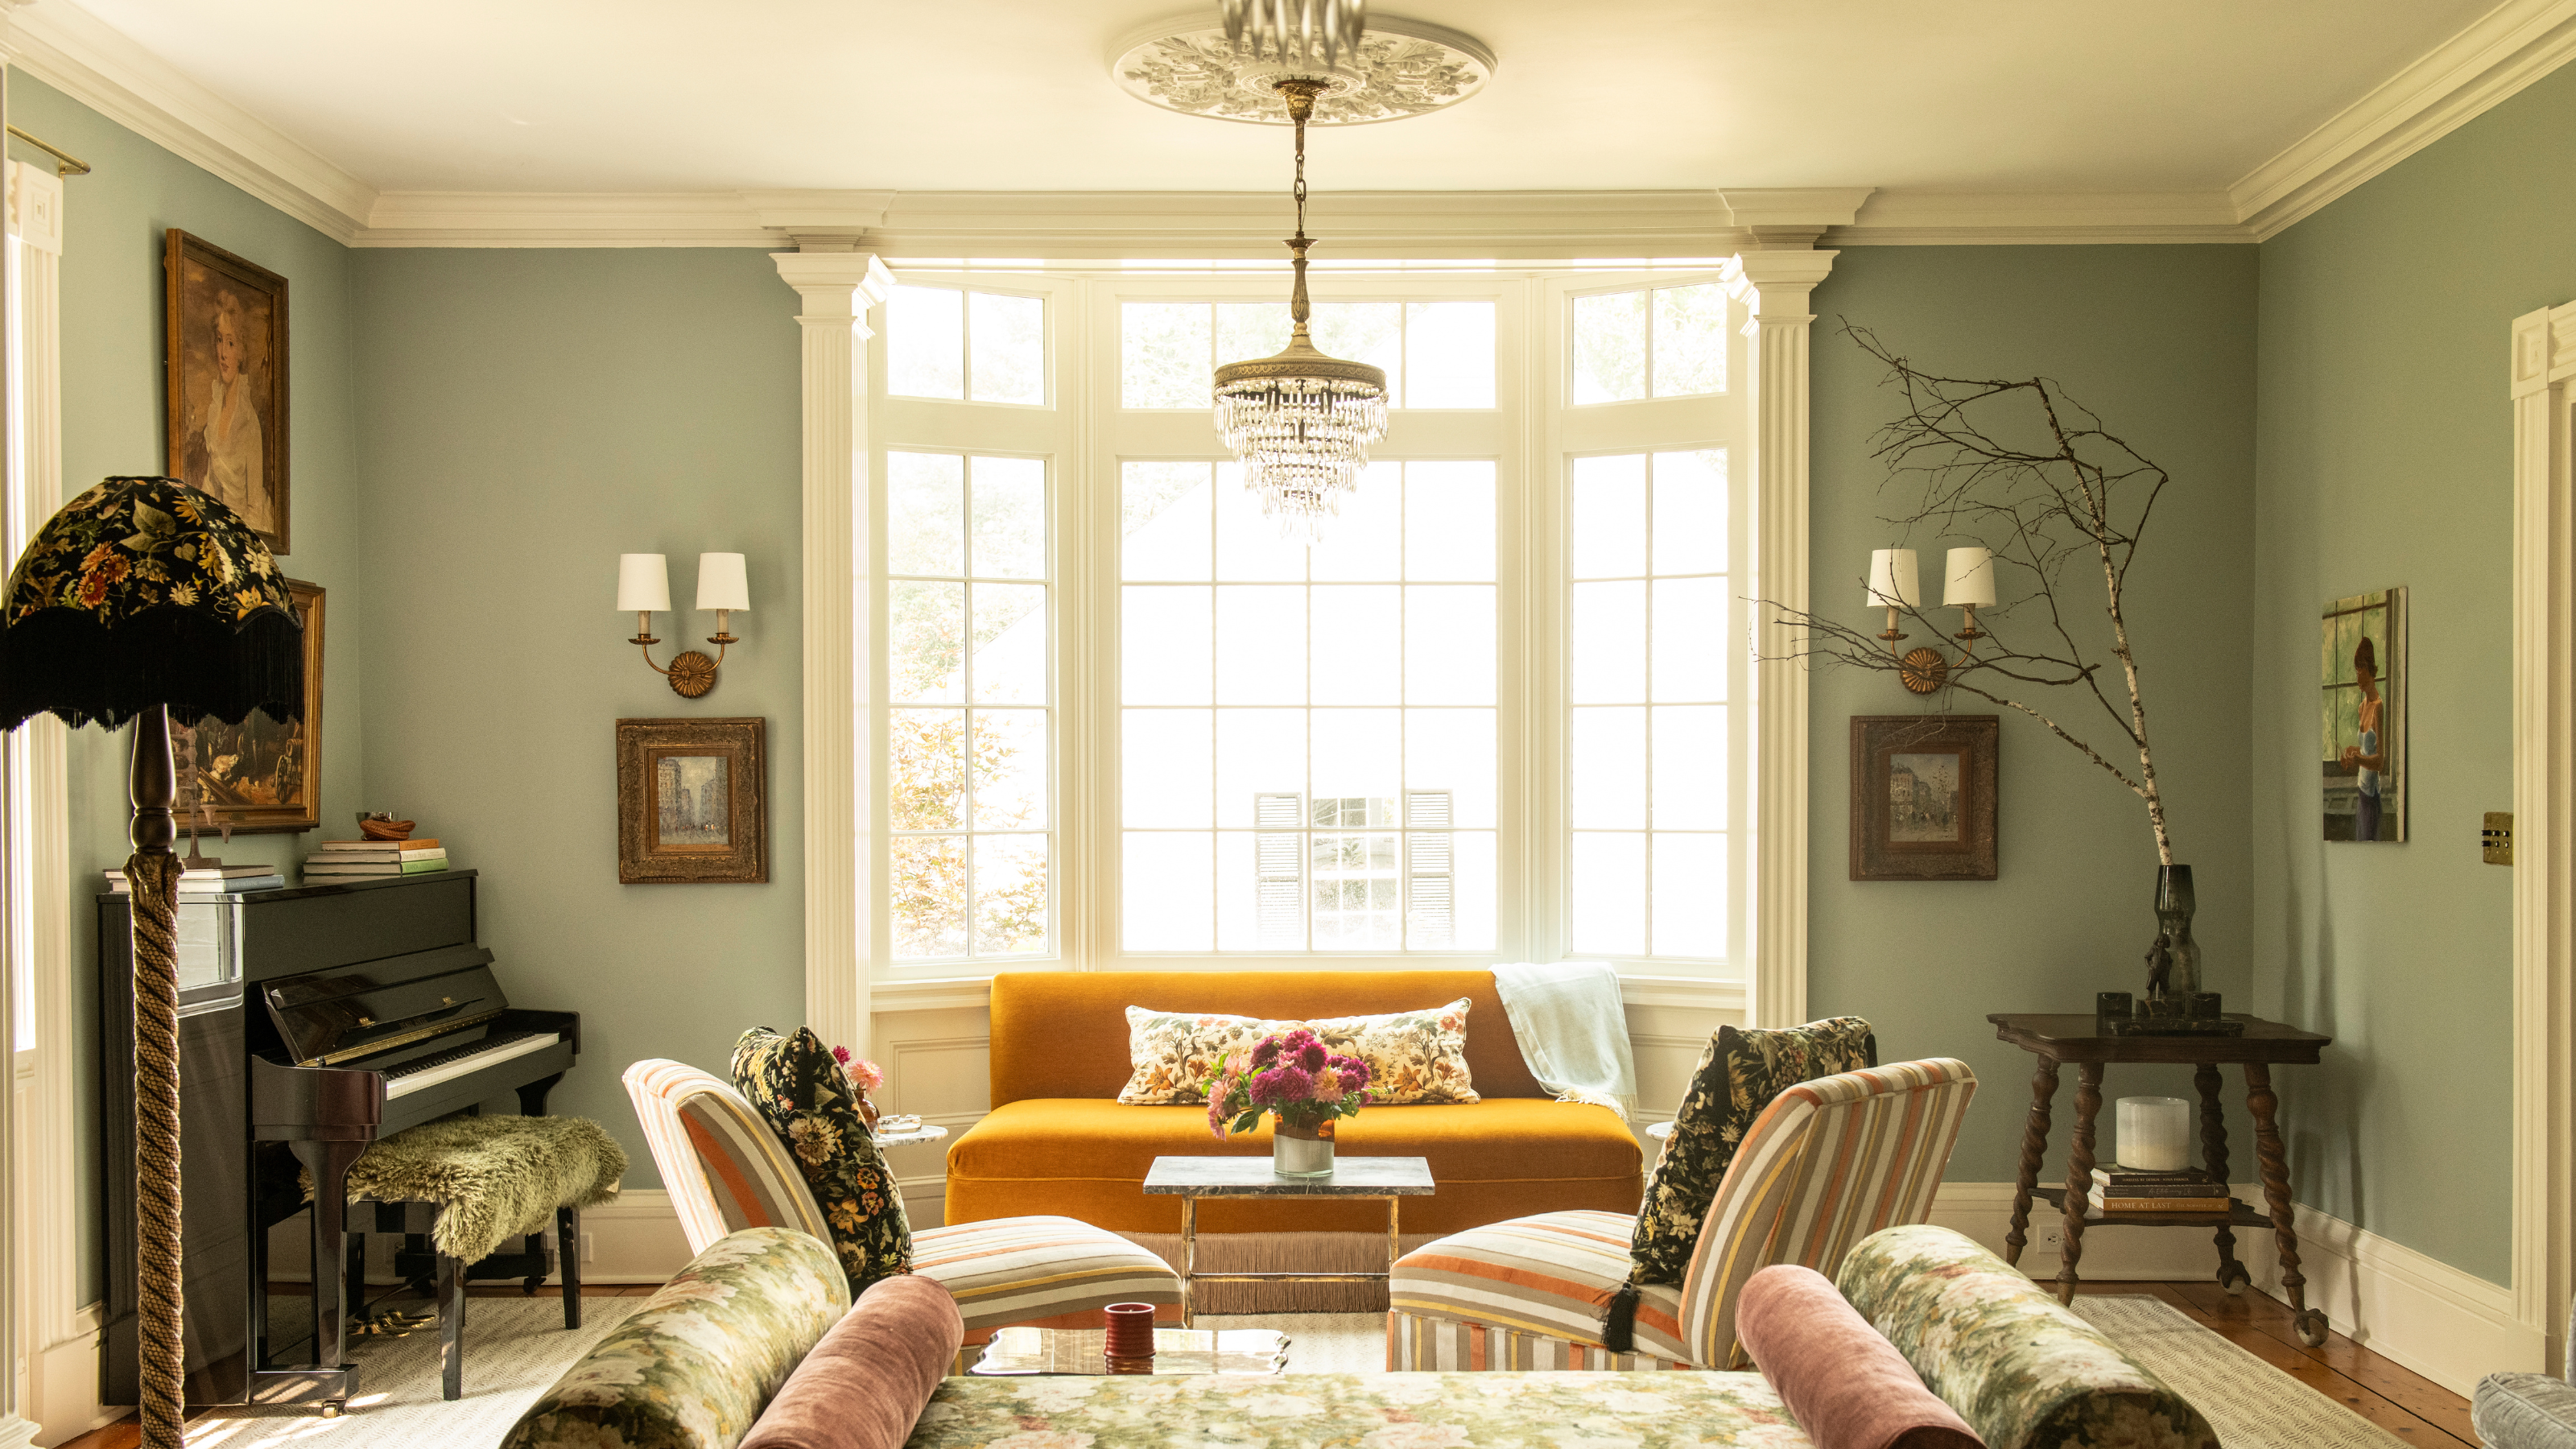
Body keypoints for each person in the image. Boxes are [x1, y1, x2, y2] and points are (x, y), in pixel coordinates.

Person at [191, 289, 266, 535]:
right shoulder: (214, 411)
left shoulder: (248, 422)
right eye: (219, 340)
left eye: (231, 343)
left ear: (242, 352)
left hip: (243, 534)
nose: (223, 353)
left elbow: (254, 507)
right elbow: (210, 486)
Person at [2339, 635, 2387, 841]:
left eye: (2361, 671)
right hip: (2361, 793)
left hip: (2372, 797)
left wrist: (2359, 760)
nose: (2357, 677)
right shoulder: (2361, 708)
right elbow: (2366, 750)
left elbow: (2380, 761)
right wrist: (2352, 752)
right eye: (2356, 671)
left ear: (2370, 670)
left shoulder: (2378, 708)